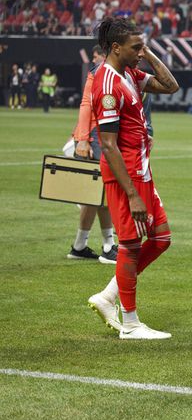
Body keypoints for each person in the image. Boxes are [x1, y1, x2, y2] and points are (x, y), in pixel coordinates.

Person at [86, 17, 180, 340]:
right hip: (126, 178)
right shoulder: (107, 85)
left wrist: (148, 54)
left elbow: (171, 86)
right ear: (115, 48)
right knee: (129, 244)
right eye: (135, 47)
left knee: (162, 238)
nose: (141, 52)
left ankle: (109, 295)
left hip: (142, 172)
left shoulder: (129, 73)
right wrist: (133, 195)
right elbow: (108, 145)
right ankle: (130, 323)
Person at [68, 45, 118, 264]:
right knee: (105, 192)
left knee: (95, 194)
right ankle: (108, 246)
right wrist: (82, 138)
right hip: (99, 135)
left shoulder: (116, 71)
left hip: (107, 134)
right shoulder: (99, 72)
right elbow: (87, 104)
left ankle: (80, 246)